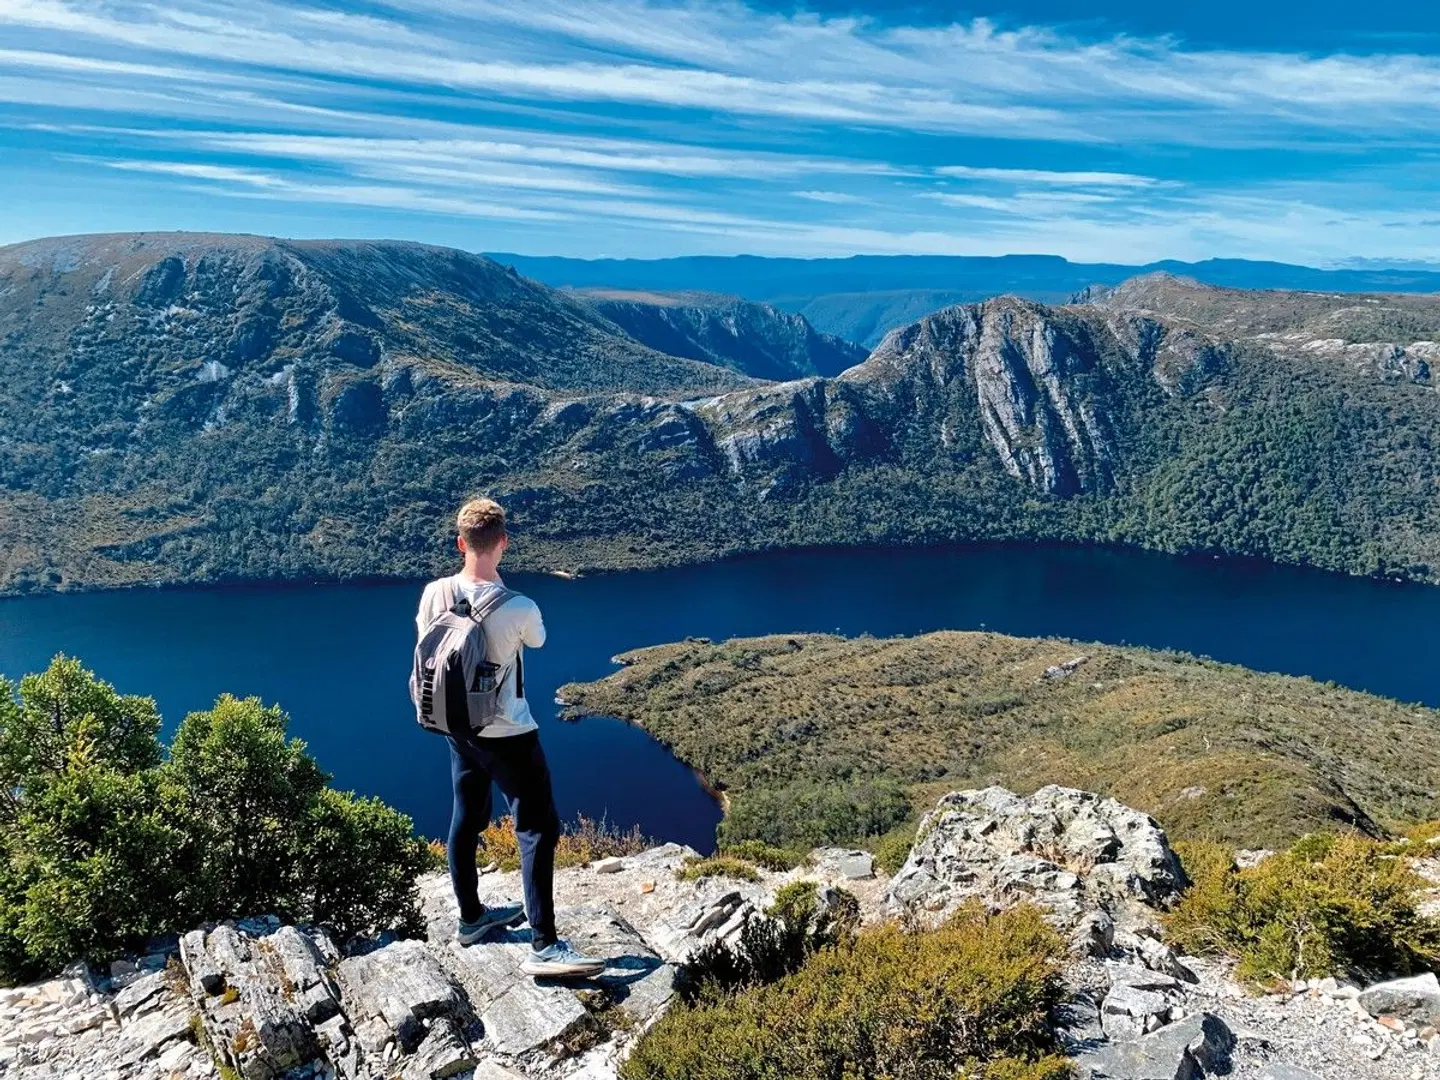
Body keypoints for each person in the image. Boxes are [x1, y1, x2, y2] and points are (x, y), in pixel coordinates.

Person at [415, 497, 604, 978]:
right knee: (537, 829)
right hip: (510, 733)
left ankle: (471, 918)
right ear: (503, 542)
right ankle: (544, 945)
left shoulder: (434, 592)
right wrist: (497, 592)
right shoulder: (519, 605)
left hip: (457, 729)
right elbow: (536, 640)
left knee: (466, 818)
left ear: (461, 543)